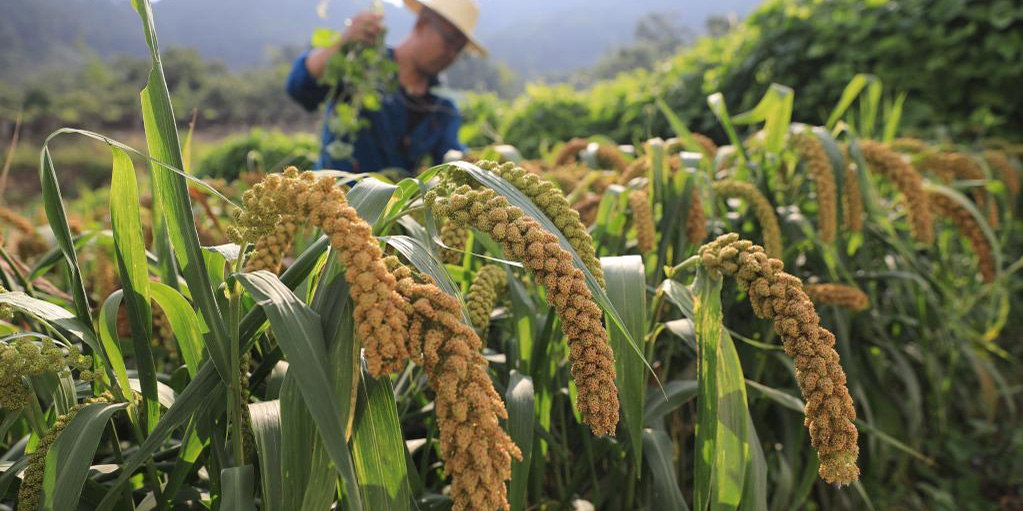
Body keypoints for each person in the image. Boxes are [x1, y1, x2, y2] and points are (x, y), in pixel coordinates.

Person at [286, 0, 486, 174]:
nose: (451, 55)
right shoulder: (362, 65)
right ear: (422, 24)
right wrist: (345, 41)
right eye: (450, 41)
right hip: (335, 198)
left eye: (459, 49)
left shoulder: (442, 109)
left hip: (392, 206)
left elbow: (451, 159)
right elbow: (299, 87)